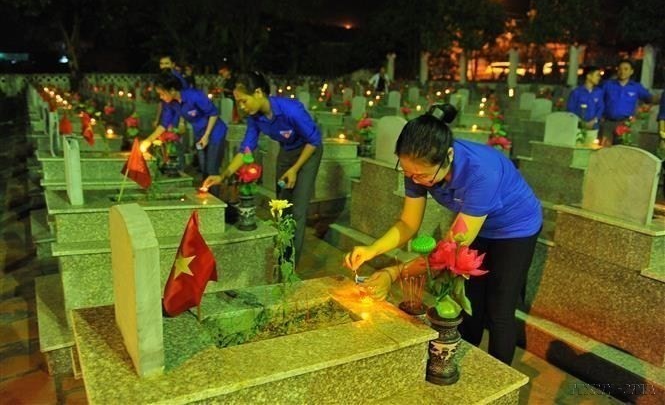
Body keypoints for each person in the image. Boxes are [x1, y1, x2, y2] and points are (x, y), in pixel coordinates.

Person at [344, 103, 542, 366]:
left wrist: (393, 273)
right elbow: (407, 222)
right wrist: (373, 250)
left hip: (515, 227)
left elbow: (448, 250)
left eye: (423, 175)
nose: (415, 179)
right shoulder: (416, 168)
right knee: (471, 300)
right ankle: (462, 359)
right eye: (408, 173)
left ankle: (499, 379)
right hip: (475, 224)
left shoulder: (482, 172)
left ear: (448, 155)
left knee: (499, 307)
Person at [202, 71, 322, 265]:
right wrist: (223, 175)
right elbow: (247, 149)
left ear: (258, 92)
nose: (241, 107)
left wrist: (295, 169)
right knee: (282, 206)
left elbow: (314, 141)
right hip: (287, 151)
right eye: (238, 102)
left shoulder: (291, 110)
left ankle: (290, 265)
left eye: (243, 101)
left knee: (298, 211)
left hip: (308, 153)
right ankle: (283, 251)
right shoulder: (255, 118)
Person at [141, 72, 227, 196]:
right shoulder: (171, 104)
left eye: (162, 93)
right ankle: (208, 198)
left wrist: (207, 135)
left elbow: (213, 113)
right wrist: (148, 141)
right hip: (199, 134)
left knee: (212, 168)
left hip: (215, 132)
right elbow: (164, 124)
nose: (161, 97)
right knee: (203, 168)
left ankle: (217, 203)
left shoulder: (194, 96)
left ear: (172, 90)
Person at [600, 59, 653, 146]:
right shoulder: (608, 85)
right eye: (620, 69)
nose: (622, 72)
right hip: (607, 124)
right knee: (604, 151)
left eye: (626, 69)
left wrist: (643, 109)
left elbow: (649, 99)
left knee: (623, 152)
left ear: (631, 71)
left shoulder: (636, 87)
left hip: (626, 124)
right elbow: (598, 99)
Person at [566, 65, 604, 130]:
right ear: (588, 76)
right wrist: (582, 122)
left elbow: (600, 108)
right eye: (597, 75)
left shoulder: (599, 92)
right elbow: (571, 110)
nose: (599, 78)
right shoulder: (576, 92)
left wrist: (594, 121)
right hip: (578, 127)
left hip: (593, 127)